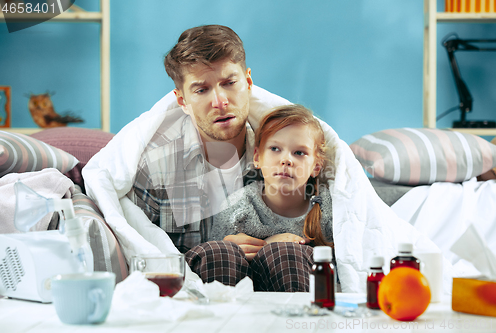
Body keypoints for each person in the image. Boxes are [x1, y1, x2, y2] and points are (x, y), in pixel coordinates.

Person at [83, 24, 451, 294]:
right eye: (202, 89)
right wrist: (216, 248)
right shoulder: (157, 166)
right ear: (181, 99)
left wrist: (299, 245)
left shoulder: (284, 148)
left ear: (248, 82)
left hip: (290, 271)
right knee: (218, 256)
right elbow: (149, 253)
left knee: (292, 256)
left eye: (229, 83)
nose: (220, 101)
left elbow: (351, 232)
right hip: (210, 278)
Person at [210, 104, 337, 291]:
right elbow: (215, 263)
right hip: (244, 294)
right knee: (217, 251)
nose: (286, 160)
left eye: (299, 153)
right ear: (257, 157)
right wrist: (262, 245)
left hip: (299, 290)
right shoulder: (237, 207)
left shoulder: (329, 207)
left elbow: (348, 264)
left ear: (316, 166)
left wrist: (278, 250)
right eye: (275, 148)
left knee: (286, 253)